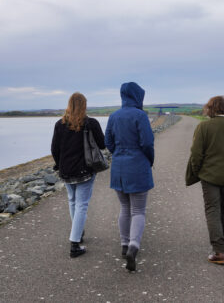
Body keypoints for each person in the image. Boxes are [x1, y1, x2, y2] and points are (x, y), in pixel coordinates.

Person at [186, 96, 224, 265]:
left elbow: (196, 154)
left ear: (210, 109)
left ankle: (219, 251)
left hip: (209, 176)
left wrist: (198, 171)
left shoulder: (204, 127)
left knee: (212, 209)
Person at [105, 82, 154, 272]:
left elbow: (107, 141)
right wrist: (148, 159)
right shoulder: (140, 116)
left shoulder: (114, 116)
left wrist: (118, 153)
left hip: (118, 167)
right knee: (138, 210)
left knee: (125, 207)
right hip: (138, 165)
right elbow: (147, 142)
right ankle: (133, 245)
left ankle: (124, 245)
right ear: (137, 96)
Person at [51, 92, 106, 258]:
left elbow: (55, 149)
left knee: (72, 201)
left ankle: (78, 232)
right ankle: (75, 244)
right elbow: (103, 144)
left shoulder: (59, 124)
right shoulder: (91, 123)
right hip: (85, 170)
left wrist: (59, 164)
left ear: (69, 104)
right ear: (84, 105)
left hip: (66, 170)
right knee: (82, 203)